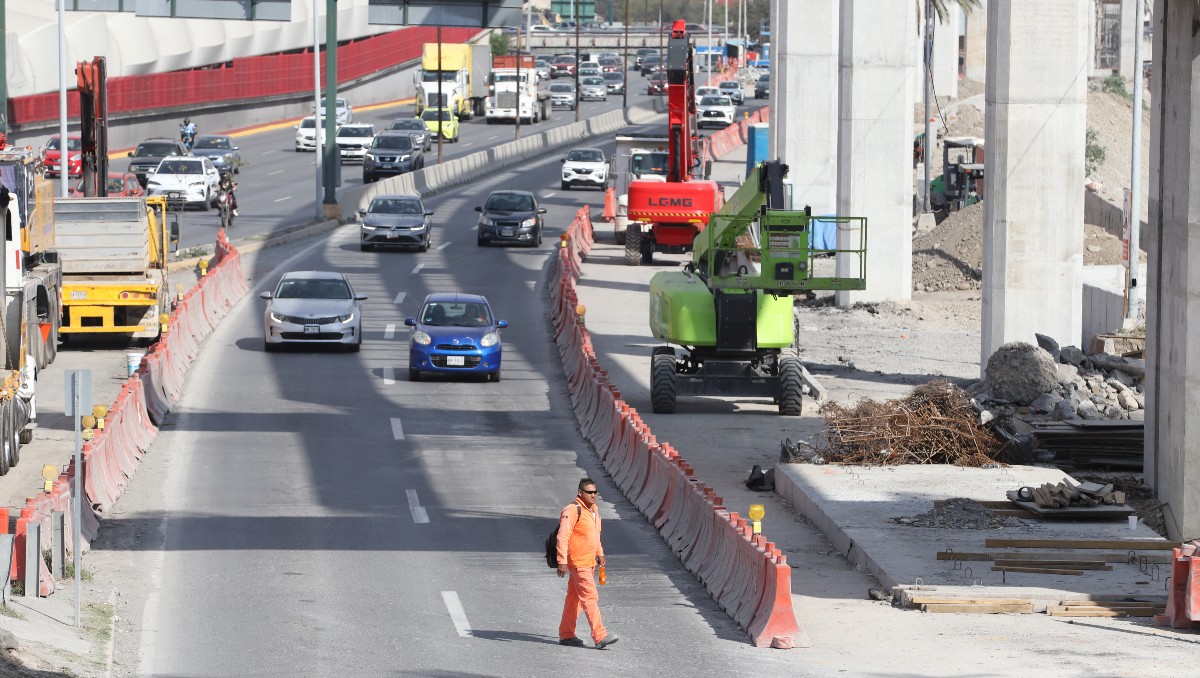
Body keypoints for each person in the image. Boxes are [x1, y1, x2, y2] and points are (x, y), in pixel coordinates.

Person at [556, 478, 618, 649]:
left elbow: (595, 535)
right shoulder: (573, 510)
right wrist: (562, 561)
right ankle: (600, 636)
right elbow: (563, 536)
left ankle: (566, 635)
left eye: (594, 492)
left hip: (589, 561)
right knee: (590, 597)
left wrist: (600, 553)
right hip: (578, 562)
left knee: (573, 600)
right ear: (580, 493)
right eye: (589, 492)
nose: (593, 495)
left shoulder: (594, 510)